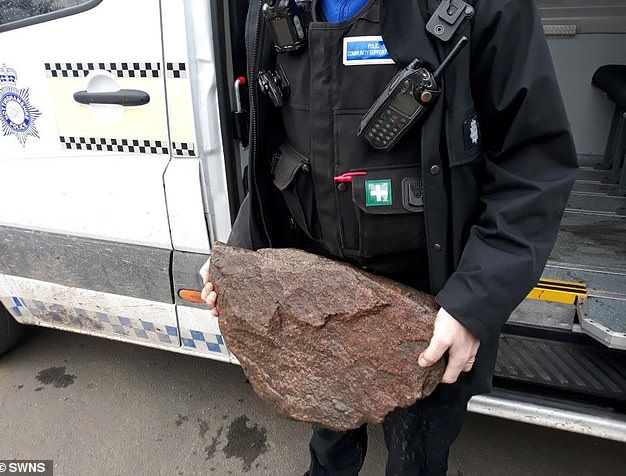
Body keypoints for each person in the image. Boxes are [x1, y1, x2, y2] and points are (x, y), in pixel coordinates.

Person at [202, 0, 578, 474]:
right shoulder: (273, 6)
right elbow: (274, 150)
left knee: (416, 457)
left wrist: (472, 304)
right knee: (329, 446)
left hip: (430, 306)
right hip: (314, 295)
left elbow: (535, 166)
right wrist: (240, 252)